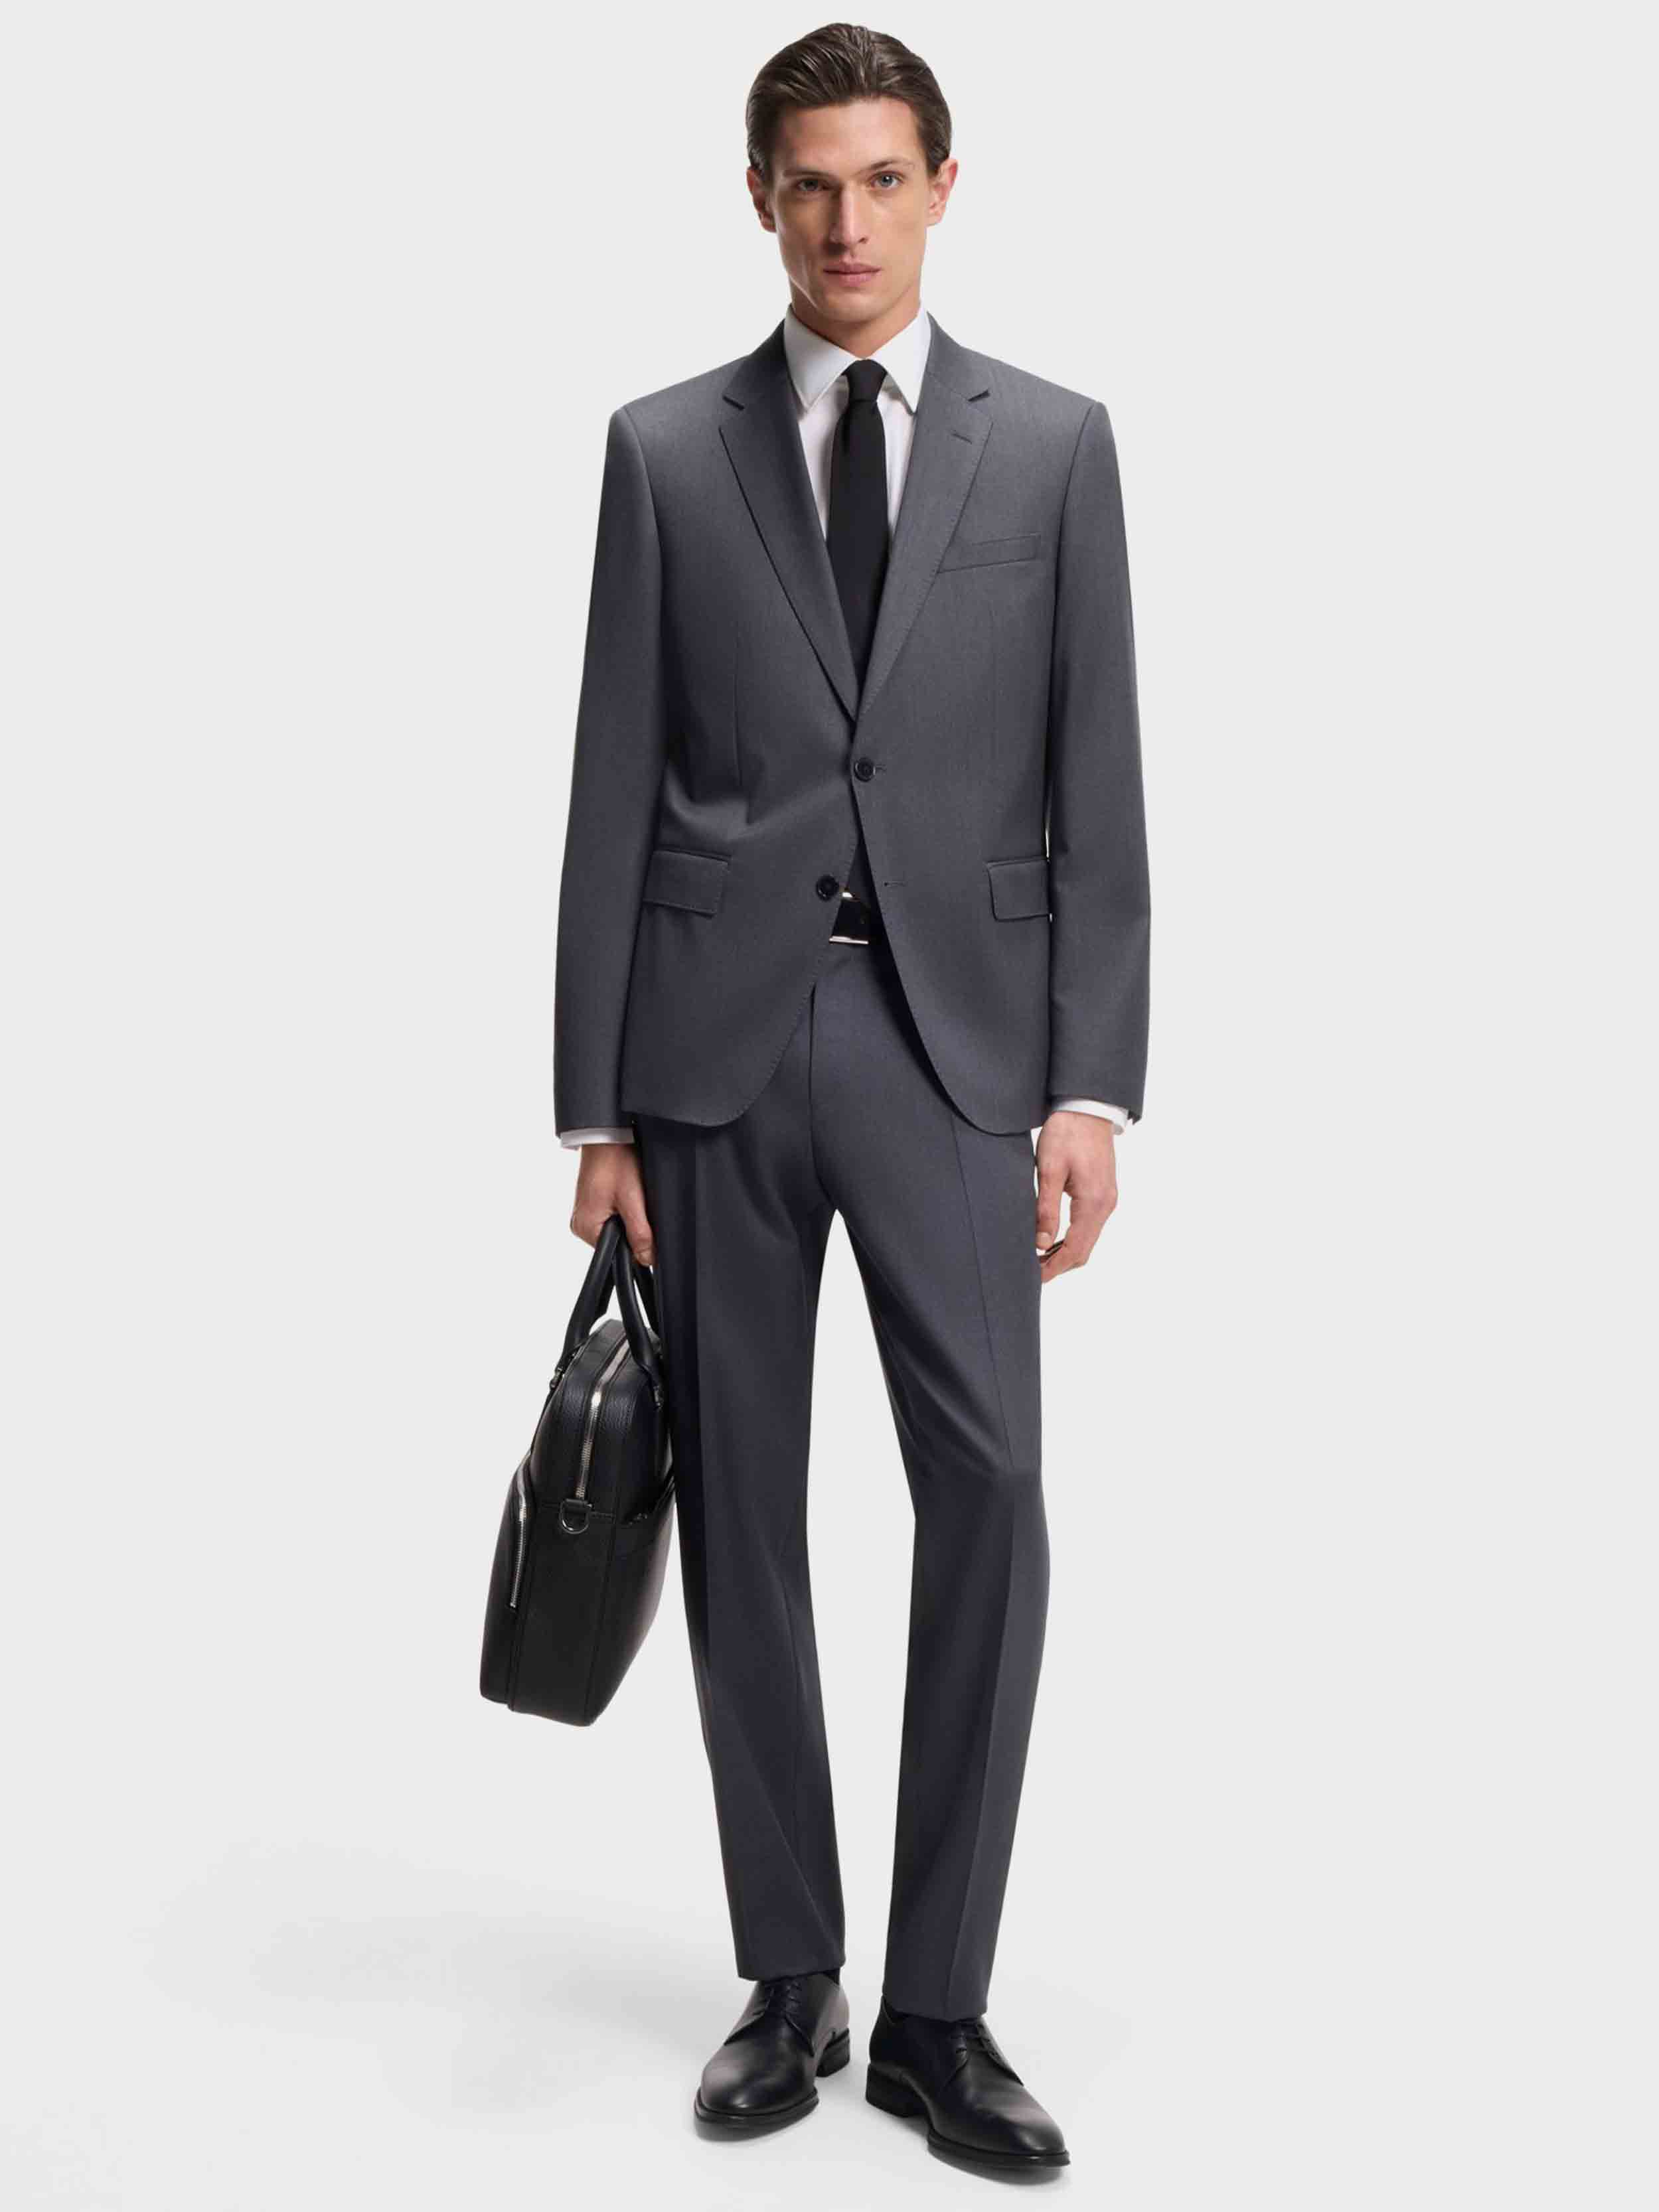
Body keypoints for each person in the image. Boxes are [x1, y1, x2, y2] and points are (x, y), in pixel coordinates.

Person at [551, 22, 1148, 2175]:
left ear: (941, 189)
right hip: (711, 1059)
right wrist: (595, 1112)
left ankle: (940, 2010)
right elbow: (610, 780)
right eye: (809, 182)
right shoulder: (661, 450)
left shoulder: (1052, 446)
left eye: (882, 178)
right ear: (759, 199)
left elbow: (1097, 779)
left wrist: (1089, 1085)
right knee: (745, 1519)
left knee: (990, 1491)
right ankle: (788, 1975)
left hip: (956, 1053)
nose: (845, 221)